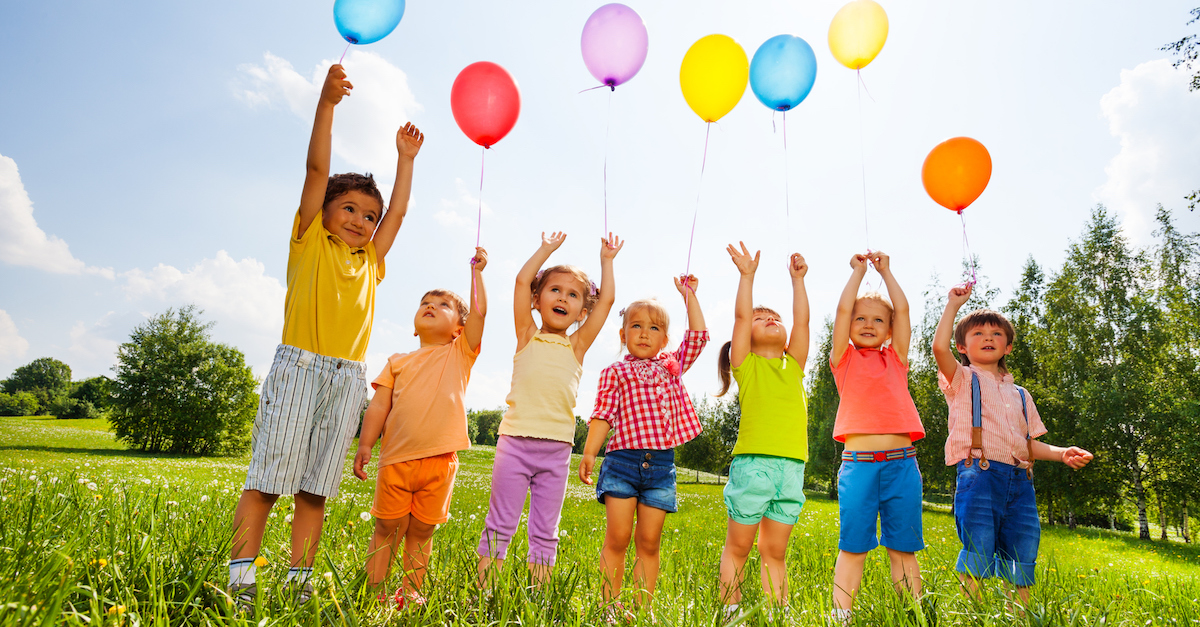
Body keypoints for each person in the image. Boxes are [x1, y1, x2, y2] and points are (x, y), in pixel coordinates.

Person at [227, 63, 424, 607]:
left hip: (346, 381)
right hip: (300, 367)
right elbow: (316, 170)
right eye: (351, 209)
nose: (362, 221)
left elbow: (400, 213)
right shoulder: (310, 239)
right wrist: (327, 105)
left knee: (315, 489)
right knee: (268, 481)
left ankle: (297, 582)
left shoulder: (371, 261)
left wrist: (405, 161)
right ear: (326, 212)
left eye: (369, 215)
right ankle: (240, 581)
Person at [476, 231, 622, 587]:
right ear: (537, 300)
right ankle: (484, 593)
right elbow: (521, 280)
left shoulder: (577, 344)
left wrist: (607, 261)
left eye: (572, 295)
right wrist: (546, 249)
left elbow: (606, 303)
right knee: (500, 523)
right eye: (555, 290)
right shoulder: (526, 333)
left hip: (557, 449)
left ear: (581, 311)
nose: (562, 298)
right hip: (514, 443)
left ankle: (538, 594)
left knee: (545, 529)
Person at [933, 284, 1092, 605]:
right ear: (962, 346)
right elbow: (938, 348)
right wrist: (953, 304)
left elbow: (1028, 445)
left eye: (996, 333)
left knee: (1022, 551)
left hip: (1021, 482)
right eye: (978, 334)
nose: (988, 338)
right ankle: (973, 614)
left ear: (1008, 347)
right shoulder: (962, 380)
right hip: (979, 476)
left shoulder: (1020, 394)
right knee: (977, 548)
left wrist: (1062, 453)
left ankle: (1017, 615)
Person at [353, 248, 488, 608]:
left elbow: (479, 314)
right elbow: (379, 405)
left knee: (422, 531)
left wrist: (477, 274)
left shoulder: (460, 353)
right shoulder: (397, 362)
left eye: (443, 305)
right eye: (425, 302)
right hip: (396, 459)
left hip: (440, 462)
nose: (431, 305)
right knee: (386, 527)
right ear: (415, 324)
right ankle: (375, 590)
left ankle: (411, 592)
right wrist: (366, 445)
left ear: (459, 327)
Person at [578, 275, 709, 618]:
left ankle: (640, 607)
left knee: (649, 542)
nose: (644, 333)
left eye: (653, 328)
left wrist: (689, 296)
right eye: (636, 326)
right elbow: (603, 414)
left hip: (661, 468)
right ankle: (609, 604)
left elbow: (698, 337)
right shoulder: (615, 372)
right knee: (618, 538)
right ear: (623, 335)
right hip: (622, 463)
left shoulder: (672, 368)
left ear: (665, 339)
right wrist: (590, 452)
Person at [829, 251, 926, 625]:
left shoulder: (896, 358)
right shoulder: (844, 359)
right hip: (859, 467)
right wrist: (857, 273)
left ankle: (913, 615)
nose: (868, 324)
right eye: (860, 318)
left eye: (878, 320)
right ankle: (841, 616)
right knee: (853, 546)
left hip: (903, 465)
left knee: (903, 548)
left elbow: (903, 311)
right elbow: (840, 312)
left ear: (889, 330)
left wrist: (886, 273)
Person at [716, 243, 811, 621]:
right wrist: (747, 276)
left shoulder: (795, 365)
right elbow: (741, 318)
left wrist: (798, 281)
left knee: (775, 552)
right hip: (753, 464)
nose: (770, 319)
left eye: (774, 316)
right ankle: (730, 610)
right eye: (761, 319)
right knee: (738, 547)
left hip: (792, 468)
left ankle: (777, 613)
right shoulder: (746, 366)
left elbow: (801, 322)